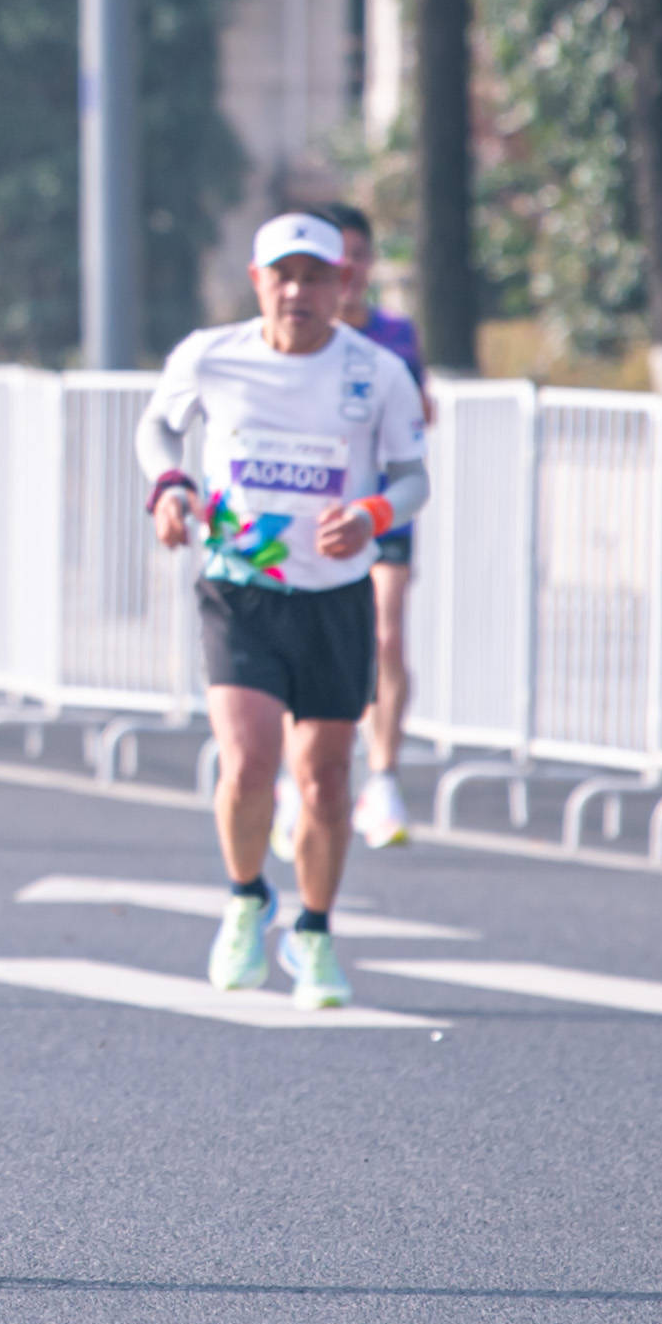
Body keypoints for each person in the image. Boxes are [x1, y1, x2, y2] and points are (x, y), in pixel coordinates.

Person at [139, 213, 432, 1012]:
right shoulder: (211, 355)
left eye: (316, 276)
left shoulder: (378, 372)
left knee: (327, 780)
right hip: (242, 584)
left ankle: (314, 931)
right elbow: (159, 425)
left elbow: (413, 476)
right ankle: (244, 899)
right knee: (248, 761)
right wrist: (170, 487)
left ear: (344, 284)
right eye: (284, 275)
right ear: (258, 280)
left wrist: (374, 513)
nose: (298, 292)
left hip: (335, 598)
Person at [323, 200, 432, 852]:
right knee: (315, 636)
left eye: (359, 253)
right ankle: (301, 770)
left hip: (382, 504)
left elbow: (418, 415)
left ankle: (383, 775)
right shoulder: (293, 332)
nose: (349, 267)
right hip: (313, 510)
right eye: (337, 254)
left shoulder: (396, 335)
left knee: (386, 632)